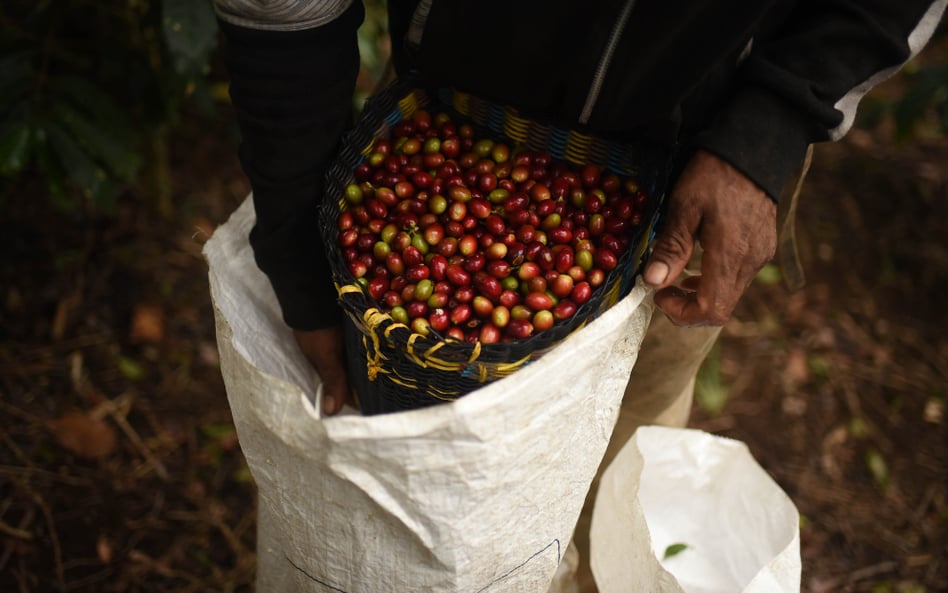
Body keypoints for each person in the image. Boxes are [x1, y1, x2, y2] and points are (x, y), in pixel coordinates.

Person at [211, 1, 945, 590]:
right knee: (417, 482)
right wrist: (298, 248)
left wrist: (775, 125)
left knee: (630, 425)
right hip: (449, 103)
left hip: (704, 157)